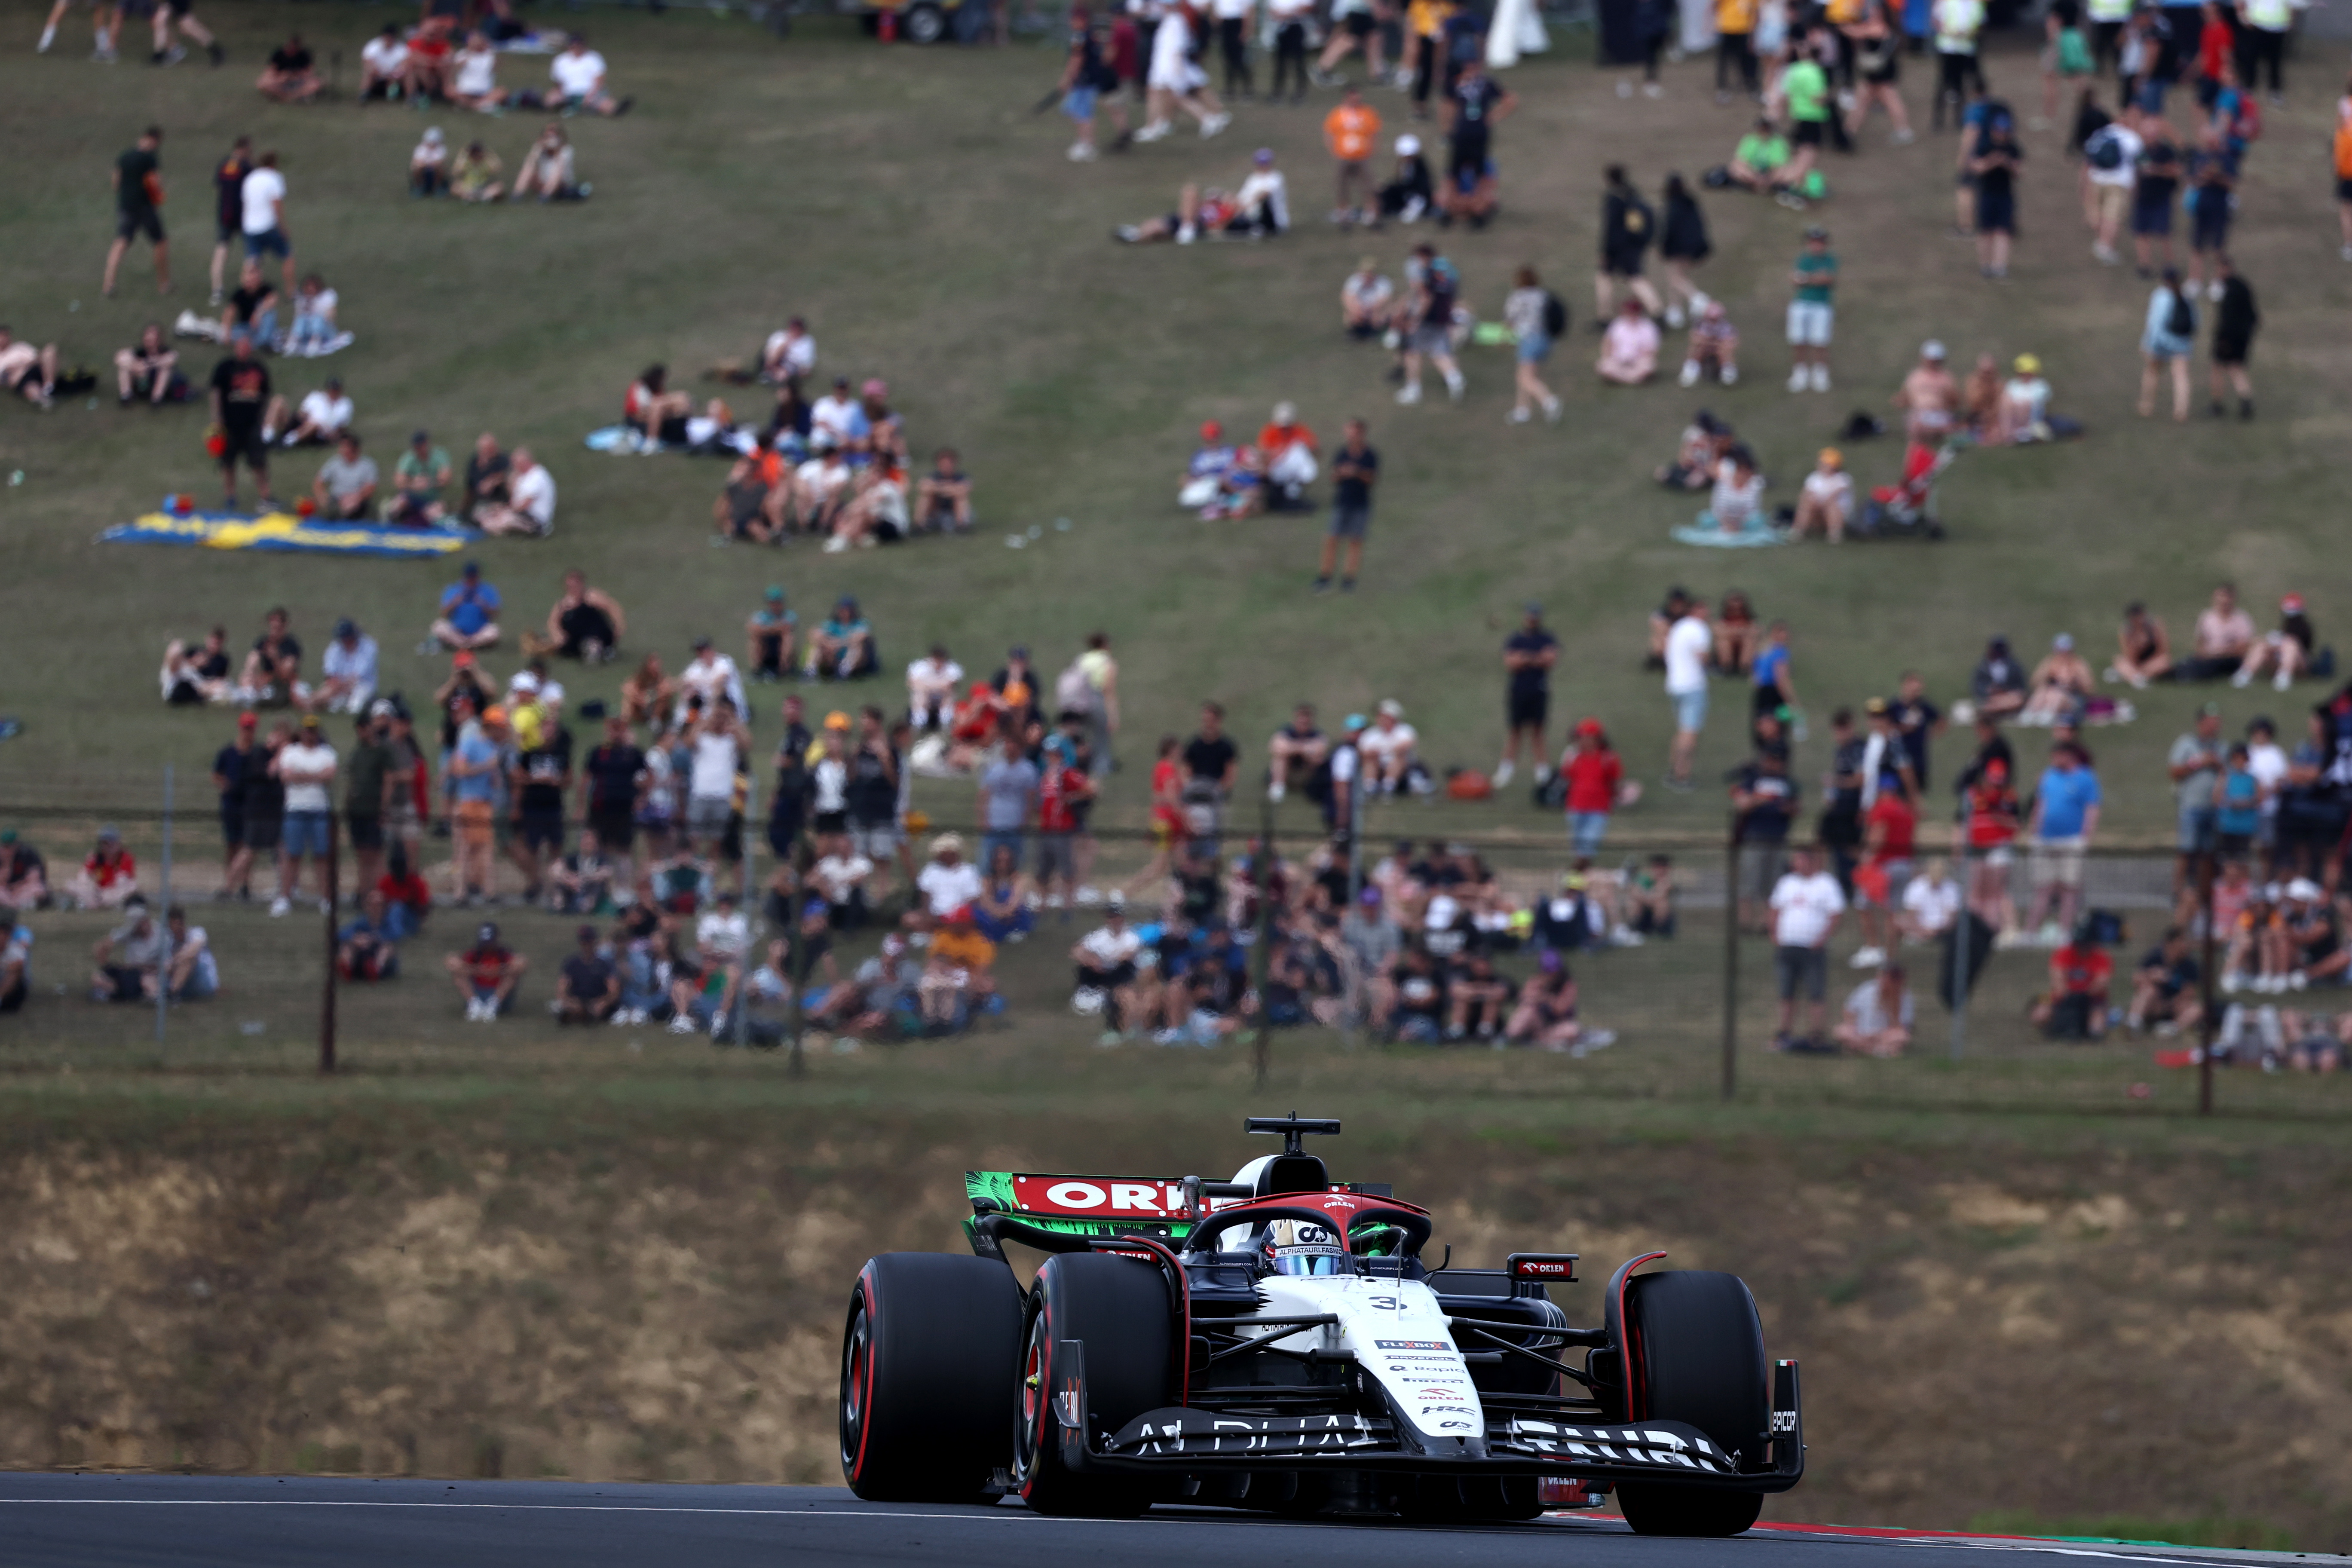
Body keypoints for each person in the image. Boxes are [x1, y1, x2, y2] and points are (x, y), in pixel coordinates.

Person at [2022, 741, 2101, 943]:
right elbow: (2040, 803)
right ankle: (2030, 932)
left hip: (2071, 840)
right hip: (2045, 839)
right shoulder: (2048, 776)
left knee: (2069, 887)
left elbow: (2092, 809)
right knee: (2043, 888)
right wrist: (2034, 830)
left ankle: (2064, 933)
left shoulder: (2086, 778)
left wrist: (2086, 836)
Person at [1770, 844, 1846, 1049]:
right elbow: (1775, 909)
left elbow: (1836, 914)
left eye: (1800, 859)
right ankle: (1784, 1032)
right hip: (1788, 945)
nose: (1796, 863)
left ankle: (1816, 1034)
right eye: (1795, 860)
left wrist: (1822, 939)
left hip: (1812, 948)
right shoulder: (1786, 883)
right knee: (1786, 993)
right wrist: (1775, 934)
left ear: (1812, 861)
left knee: (1816, 993)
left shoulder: (1826, 884)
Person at [268, 713, 337, 917]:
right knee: (291, 856)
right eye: (307, 730)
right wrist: (315, 776)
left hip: (319, 811)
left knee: (322, 856)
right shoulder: (290, 752)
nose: (310, 734)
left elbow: (329, 776)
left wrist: (302, 776)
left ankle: (326, 899)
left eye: (313, 730)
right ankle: (285, 897)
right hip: (295, 810)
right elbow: (287, 776)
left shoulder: (327, 753)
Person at [1438, 58, 1513, 229]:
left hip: (1465, 133)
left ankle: (1456, 211)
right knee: (1472, 173)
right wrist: (1492, 118)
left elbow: (1447, 106)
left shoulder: (1458, 83)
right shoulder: (1486, 83)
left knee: (1458, 173)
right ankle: (1475, 211)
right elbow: (1510, 100)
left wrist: (1447, 129)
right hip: (1477, 133)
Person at [1496, 604, 1560, 788]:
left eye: (1535, 616)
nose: (1532, 620)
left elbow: (1550, 660)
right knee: (1515, 731)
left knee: (1538, 732)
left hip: (1539, 690)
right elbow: (1510, 663)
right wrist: (1534, 659)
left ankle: (1543, 773)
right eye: (1530, 616)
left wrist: (1525, 658)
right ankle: (1506, 770)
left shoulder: (1546, 638)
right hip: (1518, 691)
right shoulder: (1516, 639)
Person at [207, 332, 273, 509]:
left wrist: (265, 418)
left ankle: (265, 496)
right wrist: (217, 419)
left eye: (247, 346)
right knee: (228, 463)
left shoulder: (259, 369)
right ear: (236, 347)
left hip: (252, 424)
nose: (244, 349)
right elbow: (216, 393)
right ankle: (230, 497)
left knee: (259, 462)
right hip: (229, 424)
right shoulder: (225, 367)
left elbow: (267, 395)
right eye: (241, 345)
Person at [1313, 418, 1379, 593]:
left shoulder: (1369, 455)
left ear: (1361, 433)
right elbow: (1333, 476)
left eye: (1353, 432)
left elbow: (1371, 479)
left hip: (1361, 504)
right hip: (1342, 502)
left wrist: (1356, 472)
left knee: (1355, 541)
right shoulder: (1342, 453)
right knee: (1332, 538)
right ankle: (1325, 576)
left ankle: (1349, 579)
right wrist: (1342, 473)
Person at [105, 126, 171, 300]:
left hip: (126, 206)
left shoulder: (125, 156)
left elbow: (115, 183)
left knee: (121, 242)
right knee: (160, 242)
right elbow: (156, 182)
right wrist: (159, 198)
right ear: (154, 140)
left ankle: (109, 284)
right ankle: (164, 284)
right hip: (145, 207)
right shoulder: (150, 158)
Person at [1395, 243, 1465, 406]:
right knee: (1440, 353)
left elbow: (1425, 298)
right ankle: (1455, 380)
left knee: (1412, 353)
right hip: (1443, 317)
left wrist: (1416, 319)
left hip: (1428, 319)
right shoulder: (1447, 271)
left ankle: (1414, 390)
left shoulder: (1427, 273)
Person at [1595, 166, 1663, 322]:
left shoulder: (1613, 199)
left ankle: (1604, 316)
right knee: (1636, 279)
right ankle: (1657, 312)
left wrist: (1605, 252)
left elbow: (1611, 228)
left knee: (1608, 278)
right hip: (1634, 245)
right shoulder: (1632, 194)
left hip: (1618, 247)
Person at [527, 570, 626, 665]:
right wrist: (557, 635)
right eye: (570, 585)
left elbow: (613, 609)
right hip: (573, 639)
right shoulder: (563, 605)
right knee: (552, 646)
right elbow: (553, 622)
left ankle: (597, 654)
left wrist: (618, 628)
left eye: (576, 584)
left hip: (595, 636)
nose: (573, 588)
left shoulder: (591, 597)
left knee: (592, 646)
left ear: (581, 584)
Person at [2084, 105, 2143, 264]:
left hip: (2097, 178)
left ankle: (2101, 241)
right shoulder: (2132, 138)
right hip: (2119, 182)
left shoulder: (2103, 132)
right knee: (2113, 216)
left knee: (2101, 213)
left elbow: (2089, 153)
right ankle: (2105, 247)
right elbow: (2138, 162)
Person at [1663, 591, 1710, 790]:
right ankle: (1682, 776)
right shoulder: (1699, 629)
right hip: (1693, 686)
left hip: (1674, 685)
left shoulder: (1678, 627)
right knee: (1690, 734)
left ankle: (1673, 770)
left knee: (1681, 731)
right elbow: (1703, 657)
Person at [2137, 268, 2197, 423]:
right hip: (2182, 344)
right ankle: (2181, 411)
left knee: (2152, 373)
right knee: (2181, 377)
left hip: (2160, 344)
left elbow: (2155, 322)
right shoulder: (2187, 296)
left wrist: (2149, 343)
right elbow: (2196, 320)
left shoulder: (2160, 296)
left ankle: (2147, 406)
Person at [1559, 720, 1625, 856]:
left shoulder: (1608, 758)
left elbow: (1614, 781)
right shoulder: (1573, 756)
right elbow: (1566, 777)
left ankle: (1580, 871)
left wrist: (1617, 797)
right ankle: (1580, 874)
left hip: (1599, 808)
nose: (1582, 741)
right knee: (1577, 845)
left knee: (1589, 845)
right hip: (1576, 806)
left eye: (1586, 737)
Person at [2031, 927, 2112, 1038]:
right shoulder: (2064, 953)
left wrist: (2084, 995)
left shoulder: (2101, 957)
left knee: (2096, 1031)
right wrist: (2069, 996)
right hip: (2064, 997)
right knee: (2040, 1016)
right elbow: (2058, 979)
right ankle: (2055, 1027)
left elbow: (2101, 982)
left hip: (2092, 1000)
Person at [1657, 174, 1713, 328]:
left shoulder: (1672, 205)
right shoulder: (1691, 202)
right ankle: (1675, 312)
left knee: (1674, 279)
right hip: (1693, 246)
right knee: (1679, 277)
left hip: (1678, 248)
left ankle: (1697, 298)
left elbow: (1669, 229)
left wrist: (1664, 247)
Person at [1969, 115, 2021, 280]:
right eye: (2000, 130)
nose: (2002, 134)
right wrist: (1993, 161)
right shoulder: (1984, 146)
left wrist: (2007, 163)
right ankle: (1985, 265)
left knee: (2003, 232)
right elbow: (1977, 168)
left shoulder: (2013, 149)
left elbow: (2019, 172)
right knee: (1986, 232)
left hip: (2005, 195)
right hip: (1987, 194)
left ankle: (1999, 266)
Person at [1786, 227, 1837, 393]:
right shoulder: (1803, 259)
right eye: (1814, 242)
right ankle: (1800, 372)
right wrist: (1813, 278)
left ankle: (1820, 373)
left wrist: (1806, 279)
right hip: (1801, 304)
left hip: (1821, 305)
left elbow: (1827, 279)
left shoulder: (1830, 259)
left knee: (1820, 340)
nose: (1817, 246)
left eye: (1820, 242)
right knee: (1799, 339)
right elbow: (1795, 280)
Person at [2207, 254, 2257, 421]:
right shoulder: (2243, 285)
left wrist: (2223, 338)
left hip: (2228, 337)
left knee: (2218, 368)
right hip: (2243, 336)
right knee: (2237, 368)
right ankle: (2246, 401)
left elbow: (2227, 318)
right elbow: (2253, 315)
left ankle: (2217, 405)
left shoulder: (2228, 289)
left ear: (2225, 269)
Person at [1323, 83, 1382, 224]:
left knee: (1368, 185)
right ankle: (1344, 212)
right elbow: (1329, 132)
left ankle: (1371, 213)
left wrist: (1372, 149)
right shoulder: (1338, 113)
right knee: (1342, 186)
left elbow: (1375, 133)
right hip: (1344, 155)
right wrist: (1334, 151)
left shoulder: (1368, 113)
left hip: (1362, 156)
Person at [446, 920, 527, 1020]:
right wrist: (478, 970)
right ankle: (474, 1004)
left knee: (512, 976)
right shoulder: (475, 953)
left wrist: (498, 971)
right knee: (458, 975)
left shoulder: (503, 953)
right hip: (478, 991)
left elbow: (521, 964)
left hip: (498, 993)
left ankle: (493, 1005)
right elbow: (453, 963)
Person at [2234, 593, 2312, 691]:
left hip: (2299, 664)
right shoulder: (2285, 627)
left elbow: (2300, 649)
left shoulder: (2304, 628)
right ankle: (2245, 674)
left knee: (2290, 645)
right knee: (2261, 646)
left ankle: (2284, 677)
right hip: (2278, 661)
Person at [475, 447, 554, 537]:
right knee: (483, 513)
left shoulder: (537, 478)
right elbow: (515, 500)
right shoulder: (523, 476)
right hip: (521, 514)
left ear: (524, 463)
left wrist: (505, 511)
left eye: (515, 464)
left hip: (535, 519)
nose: (513, 467)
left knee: (498, 520)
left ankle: (528, 531)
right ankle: (502, 527)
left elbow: (523, 506)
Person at [550, 34, 631, 117]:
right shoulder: (560, 60)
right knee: (551, 100)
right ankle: (568, 107)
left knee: (606, 105)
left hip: (589, 93)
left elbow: (600, 80)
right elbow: (557, 81)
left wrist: (590, 96)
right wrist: (561, 93)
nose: (576, 48)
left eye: (578, 45)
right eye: (573, 46)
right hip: (568, 93)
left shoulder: (594, 58)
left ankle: (614, 111)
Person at [432, 561, 503, 652]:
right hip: (457, 633)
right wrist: (455, 602)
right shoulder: (454, 590)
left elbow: (496, 615)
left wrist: (483, 604)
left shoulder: (487, 590)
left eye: (473, 578)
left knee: (494, 631)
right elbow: (444, 614)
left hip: (478, 634)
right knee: (438, 626)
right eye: (469, 578)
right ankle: (467, 646)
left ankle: (465, 646)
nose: (471, 581)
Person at [314, 619, 378, 717]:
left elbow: (357, 677)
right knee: (333, 709)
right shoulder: (334, 648)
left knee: (354, 709)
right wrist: (331, 689)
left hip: (362, 685)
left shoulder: (369, 646)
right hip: (339, 686)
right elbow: (330, 675)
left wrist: (332, 690)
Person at [67, 826, 141, 912]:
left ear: (118, 844)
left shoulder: (125, 857)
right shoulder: (96, 857)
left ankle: (106, 904)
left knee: (132, 887)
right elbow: (83, 876)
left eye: (112, 843)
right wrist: (91, 889)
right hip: (99, 892)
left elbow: (123, 881)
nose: (109, 847)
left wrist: (107, 894)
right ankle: (91, 903)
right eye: (105, 843)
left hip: (115, 892)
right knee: (70, 885)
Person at [310, 434, 379, 521]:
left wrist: (356, 498)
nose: (341, 450)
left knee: (350, 509)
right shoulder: (334, 463)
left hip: (356, 499)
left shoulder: (367, 465)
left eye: (345, 447)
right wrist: (322, 497)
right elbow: (319, 482)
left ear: (354, 449)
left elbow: (370, 488)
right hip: (336, 498)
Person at [1792, 447, 1853, 542]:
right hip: (1817, 513)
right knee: (1807, 502)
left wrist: (1819, 502)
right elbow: (1805, 494)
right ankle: (1798, 531)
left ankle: (1835, 534)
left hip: (1838, 515)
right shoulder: (1814, 477)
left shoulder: (1842, 479)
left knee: (1831, 505)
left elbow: (1833, 496)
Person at [1596, 298, 1660, 386]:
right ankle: (1632, 379)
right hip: (1619, 359)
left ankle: (1623, 379)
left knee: (1648, 366)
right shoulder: (1618, 324)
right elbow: (1608, 343)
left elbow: (1651, 350)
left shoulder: (1648, 327)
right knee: (1604, 365)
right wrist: (1609, 356)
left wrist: (1635, 358)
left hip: (1638, 361)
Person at [1375, 133, 1435, 226]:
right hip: (1406, 194)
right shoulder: (1404, 165)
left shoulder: (1420, 166)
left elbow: (1421, 186)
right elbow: (1401, 182)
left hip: (1417, 196)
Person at [515, 123, 584, 202]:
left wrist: (556, 151)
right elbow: (530, 163)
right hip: (542, 182)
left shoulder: (567, 150)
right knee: (528, 169)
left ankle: (545, 196)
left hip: (561, 185)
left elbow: (560, 167)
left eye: (553, 137)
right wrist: (538, 151)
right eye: (547, 137)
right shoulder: (539, 148)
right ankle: (517, 194)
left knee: (557, 173)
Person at [1678, 301, 1740, 388]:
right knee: (1698, 348)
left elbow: (1732, 343)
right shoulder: (1700, 325)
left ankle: (1728, 372)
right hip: (1705, 350)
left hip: (1719, 351)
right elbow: (1695, 340)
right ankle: (1691, 370)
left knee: (1725, 350)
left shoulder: (1727, 327)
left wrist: (1715, 344)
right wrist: (1710, 342)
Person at [1727, 118, 1791, 193]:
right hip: (1754, 171)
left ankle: (1767, 185)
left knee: (1788, 171)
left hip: (1771, 173)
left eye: (1766, 129)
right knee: (1736, 166)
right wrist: (1754, 176)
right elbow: (1741, 161)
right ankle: (1756, 184)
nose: (1764, 131)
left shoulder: (1779, 142)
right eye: (1762, 129)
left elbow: (1780, 165)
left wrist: (1768, 178)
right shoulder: (1750, 140)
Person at [257, 33, 321, 103]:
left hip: (299, 81)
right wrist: (281, 77)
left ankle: (294, 97)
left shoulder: (304, 55)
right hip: (280, 80)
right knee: (262, 83)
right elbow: (271, 70)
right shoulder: (279, 54)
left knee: (316, 84)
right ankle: (283, 96)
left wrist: (295, 76)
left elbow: (309, 72)